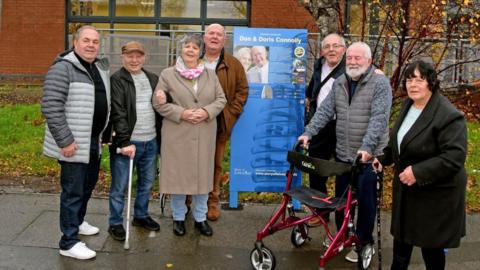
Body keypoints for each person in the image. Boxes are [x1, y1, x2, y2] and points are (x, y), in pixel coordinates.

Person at [298, 41, 392, 263]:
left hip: (369, 158)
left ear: (369, 61)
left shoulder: (380, 84)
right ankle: (343, 236)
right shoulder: (340, 82)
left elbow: (379, 120)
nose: (352, 61)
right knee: (342, 201)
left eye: (358, 58)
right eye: (349, 58)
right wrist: (308, 133)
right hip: (344, 155)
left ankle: (363, 241)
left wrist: (367, 149)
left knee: (367, 203)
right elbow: (324, 111)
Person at [373, 60, 467, 270]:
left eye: (419, 79)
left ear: (431, 82)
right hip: (407, 193)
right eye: (409, 79)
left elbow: (454, 156)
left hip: (434, 195)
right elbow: (400, 141)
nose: (413, 84)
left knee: (431, 252)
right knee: (400, 249)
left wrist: (418, 172)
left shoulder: (448, 115)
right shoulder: (409, 105)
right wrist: (383, 158)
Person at [41, 25, 109, 260]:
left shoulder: (98, 68)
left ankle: (77, 223)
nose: (91, 45)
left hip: (93, 141)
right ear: (75, 42)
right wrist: (65, 140)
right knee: (72, 191)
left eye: (95, 41)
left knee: (86, 186)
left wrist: (105, 133)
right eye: (86, 40)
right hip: (72, 144)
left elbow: (102, 103)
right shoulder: (63, 68)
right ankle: (68, 242)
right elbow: (51, 106)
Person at [152, 34, 227, 237]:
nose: (191, 50)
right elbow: (158, 102)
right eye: (187, 46)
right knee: (178, 179)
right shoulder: (168, 74)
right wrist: (182, 113)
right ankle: (178, 218)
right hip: (177, 134)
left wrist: (206, 111)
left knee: (203, 179)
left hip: (204, 133)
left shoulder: (210, 75)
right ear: (181, 50)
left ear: (200, 51)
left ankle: (200, 218)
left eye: (195, 47)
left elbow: (221, 99)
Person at [107, 41, 165, 241]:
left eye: (138, 56)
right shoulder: (117, 79)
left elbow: (162, 106)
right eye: (130, 56)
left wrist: (165, 98)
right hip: (128, 143)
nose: (134, 60)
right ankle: (115, 222)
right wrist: (124, 142)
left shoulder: (152, 78)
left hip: (151, 141)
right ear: (123, 57)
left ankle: (140, 215)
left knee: (147, 183)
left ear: (144, 57)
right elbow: (118, 113)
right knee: (120, 186)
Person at [202, 23, 249, 221]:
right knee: (192, 163)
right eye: (211, 33)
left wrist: (231, 112)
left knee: (215, 164)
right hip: (192, 122)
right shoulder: (192, 59)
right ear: (204, 37)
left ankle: (212, 200)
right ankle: (189, 199)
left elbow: (242, 90)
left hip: (219, 124)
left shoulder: (234, 64)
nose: (214, 37)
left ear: (224, 39)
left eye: (218, 34)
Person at [304, 33, 346, 225]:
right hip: (320, 123)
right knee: (316, 169)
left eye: (336, 46)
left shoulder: (350, 67)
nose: (331, 50)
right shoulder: (319, 64)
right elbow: (315, 85)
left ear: (343, 49)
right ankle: (320, 211)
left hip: (342, 125)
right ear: (322, 51)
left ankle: (341, 215)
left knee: (342, 171)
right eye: (327, 46)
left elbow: (369, 69)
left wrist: (377, 71)